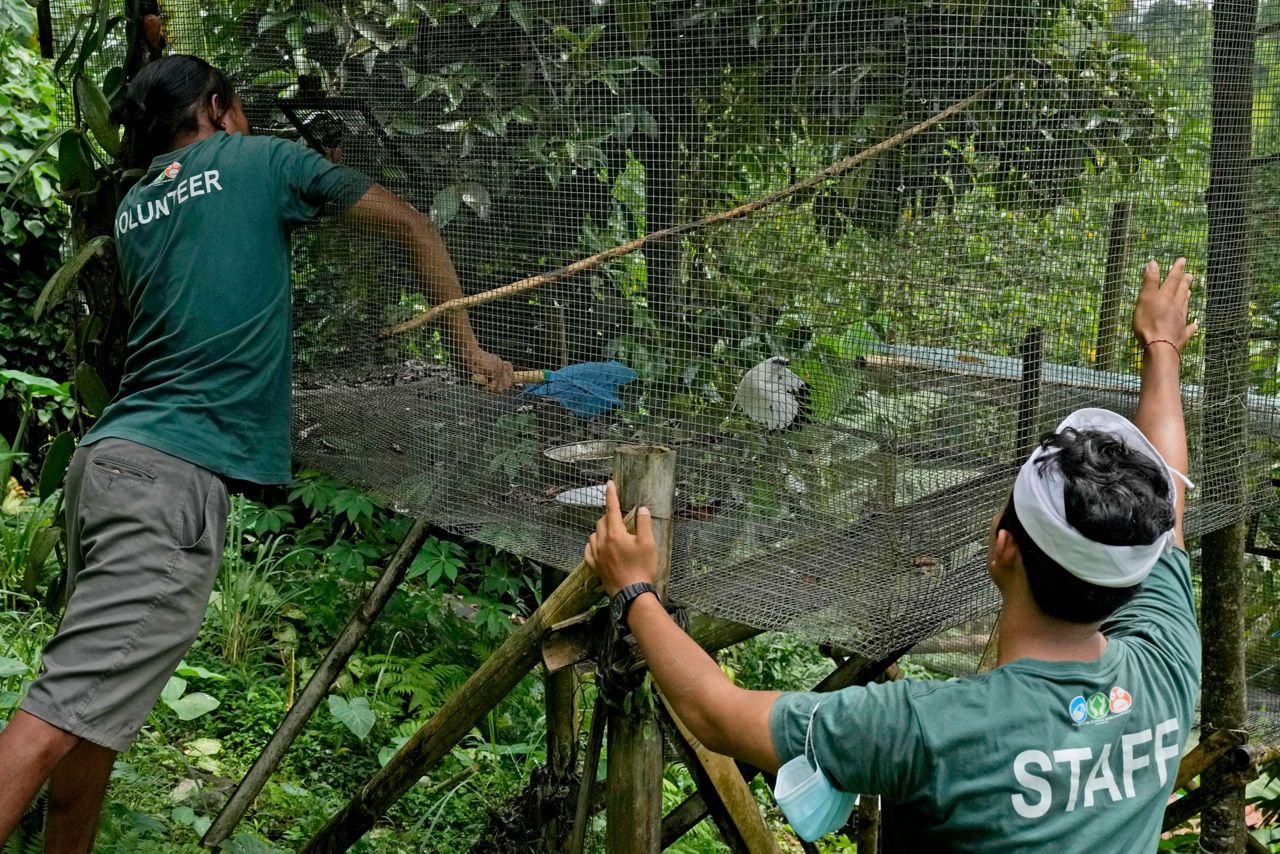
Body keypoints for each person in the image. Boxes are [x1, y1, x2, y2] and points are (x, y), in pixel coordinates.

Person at [0, 54, 513, 849]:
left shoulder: (136, 205)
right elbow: (413, 223)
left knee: (89, 717)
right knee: (53, 717)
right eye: (238, 110)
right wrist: (471, 353)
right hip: (167, 484)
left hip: (105, 467)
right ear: (216, 106)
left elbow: (220, 246)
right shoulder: (261, 160)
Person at [584, 258, 1199, 851]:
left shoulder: (933, 729)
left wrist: (633, 589)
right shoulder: (1165, 666)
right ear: (1134, 577)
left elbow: (717, 713)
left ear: (1002, 547)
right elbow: (1170, 481)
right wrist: (1163, 350)